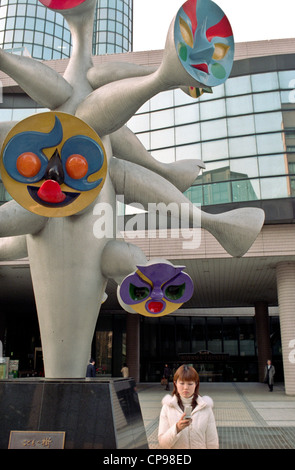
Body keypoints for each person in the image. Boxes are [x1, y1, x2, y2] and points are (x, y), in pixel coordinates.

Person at [158, 365, 219, 449]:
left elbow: (212, 441)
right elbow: (163, 444)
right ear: (175, 383)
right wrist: (177, 428)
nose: (186, 388)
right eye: (182, 383)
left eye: (190, 384)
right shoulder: (168, 407)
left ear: (196, 384)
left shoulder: (205, 407)